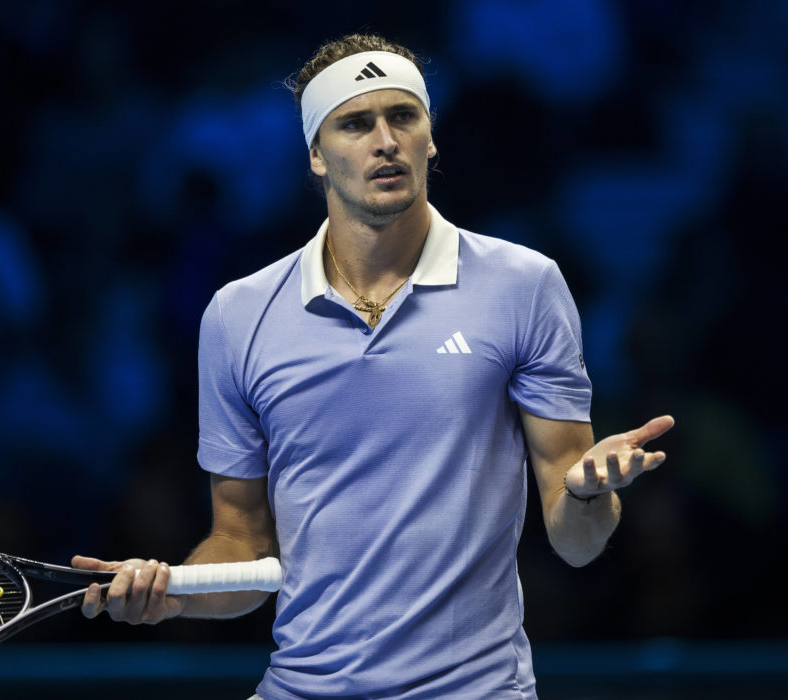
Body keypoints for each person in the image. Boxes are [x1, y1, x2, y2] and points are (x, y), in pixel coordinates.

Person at [72, 34, 674, 699]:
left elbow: (577, 539)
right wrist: (172, 590)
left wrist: (589, 492)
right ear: (316, 157)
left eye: (403, 117)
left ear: (431, 138)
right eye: (356, 123)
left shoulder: (523, 285)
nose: (385, 140)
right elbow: (240, 541)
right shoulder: (237, 314)